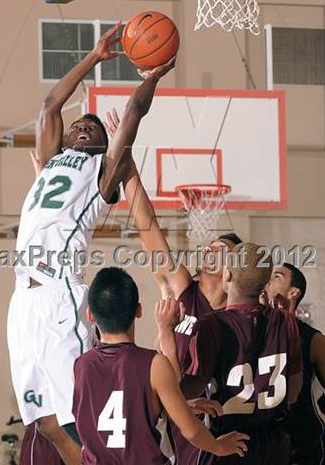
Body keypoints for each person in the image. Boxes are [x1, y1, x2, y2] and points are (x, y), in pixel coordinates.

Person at [7, 22, 176, 465]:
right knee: (43, 419)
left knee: (78, 415)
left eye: (93, 129)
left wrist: (151, 79)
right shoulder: (49, 162)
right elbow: (50, 104)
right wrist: (94, 56)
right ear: (63, 140)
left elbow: (133, 119)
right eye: (79, 126)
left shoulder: (101, 174)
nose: (84, 128)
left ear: (103, 148)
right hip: (22, 303)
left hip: (60, 294)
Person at [103, 108, 243, 463]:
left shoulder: (238, 312)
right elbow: (149, 228)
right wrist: (128, 163)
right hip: (165, 418)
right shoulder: (183, 289)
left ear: (234, 271)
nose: (210, 248)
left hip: (213, 424)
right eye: (209, 245)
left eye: (221, 250)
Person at [72, 267, 250, 464]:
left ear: (89, 315)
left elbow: (120, 411)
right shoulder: (154, 364)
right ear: (139, 311)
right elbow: (190, 431)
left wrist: (182, 406)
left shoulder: (79, 367)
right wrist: (219, 447)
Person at [159, 242, 303, 464]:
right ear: (264, 284)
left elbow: (183, 393)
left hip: (230, 443)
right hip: (275, 444)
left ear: (227, 275)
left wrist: (166, 334)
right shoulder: (286, 320)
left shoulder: (212, 325)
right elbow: (293, 392)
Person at [264, 263, 325, 465]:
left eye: (277, 276)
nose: (268, 279)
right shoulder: (253, 332)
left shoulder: (316, 342)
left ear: (293, 292)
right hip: (263, 448)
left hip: (302, 448)